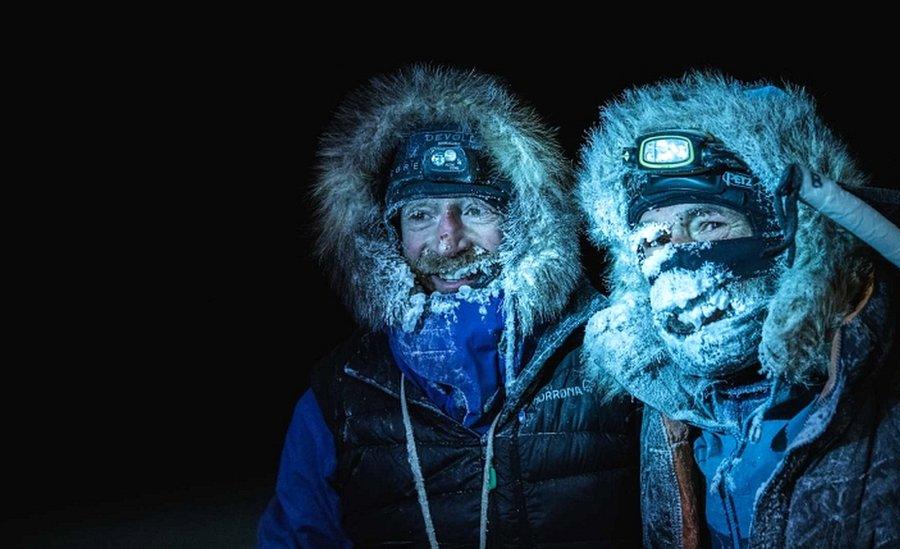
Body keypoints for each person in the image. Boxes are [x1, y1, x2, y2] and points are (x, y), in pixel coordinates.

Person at [577, 72, 900, 547]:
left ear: (785, 234)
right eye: (653, 237)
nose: (676, 259)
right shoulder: (664, 403)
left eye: (707, 223)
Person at [258, 66, 641, 547]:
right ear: (389, 235)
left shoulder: (611, 352)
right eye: (421, 214)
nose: (448, 236)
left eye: (475, 209)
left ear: (523, 220)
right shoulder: (343, 392)